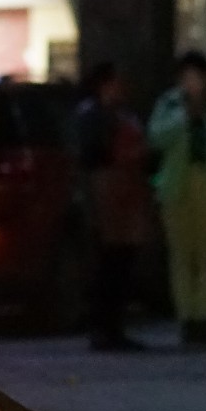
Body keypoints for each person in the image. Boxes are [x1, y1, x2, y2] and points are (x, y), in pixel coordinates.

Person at [148, 50, 206, 348]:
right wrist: (183, 118)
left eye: (197, 77)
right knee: (181, 254)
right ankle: (186, 319)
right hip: (178, 184)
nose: (192, 84)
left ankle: (205, 319)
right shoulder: (169, 104)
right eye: (186, 78)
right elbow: (156, 137)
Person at [75, 62, 152, 352]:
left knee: (122, 261)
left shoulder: (122, 113)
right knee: (107, 263)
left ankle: (113, 327)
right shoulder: (92, 115)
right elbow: (92, 156)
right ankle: (103, 328)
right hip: (106, 194)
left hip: (125, 193)